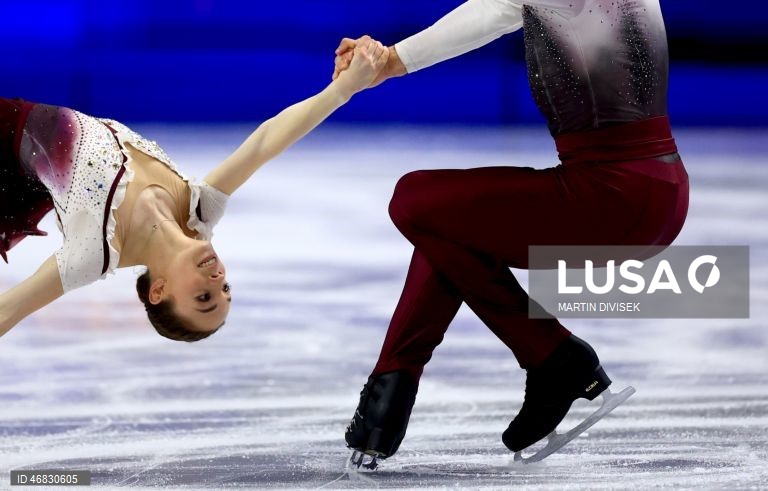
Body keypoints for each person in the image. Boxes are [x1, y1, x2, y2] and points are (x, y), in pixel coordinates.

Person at [334, 0, 689, 465]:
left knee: (415, 199)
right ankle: (390, 397)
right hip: (651, 191)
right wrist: (386, 60)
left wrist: (389, 62)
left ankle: (552, 354)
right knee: (447, 225)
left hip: (613, 196)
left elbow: (491, 8)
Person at [0, 38, 390, 342]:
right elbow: (264, 143)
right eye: (225, 289)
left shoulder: (94, 253)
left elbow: (8, 311)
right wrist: (343, 90)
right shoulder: (198, 212)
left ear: (159, 291)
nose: (217, 279)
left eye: (204, 298)